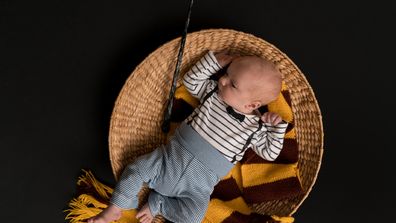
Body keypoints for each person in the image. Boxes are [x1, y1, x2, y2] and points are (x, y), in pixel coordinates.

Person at [87, 50, 288, 223]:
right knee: (136, 169)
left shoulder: (256, 127)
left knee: (194, 217)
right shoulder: (212, 94)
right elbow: (192, 81)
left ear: (252, 105)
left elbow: (270, 153)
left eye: (232, 83)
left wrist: (276, 128)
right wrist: (214, 62)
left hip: (197, 187)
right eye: (226, 74)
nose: (222, 80)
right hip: (167, 161)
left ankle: (159, 204)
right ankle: (115, 208)